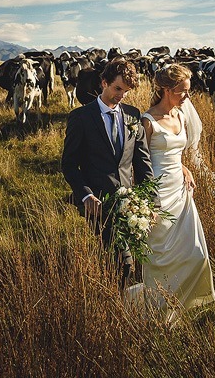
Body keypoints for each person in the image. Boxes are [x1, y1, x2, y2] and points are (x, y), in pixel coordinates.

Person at [130, 63, 215, 319]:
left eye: (188, 91)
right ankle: (156, 310)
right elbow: (139, 162)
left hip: (181, 192)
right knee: (160, 257)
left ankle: (180, 302)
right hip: (158, 194)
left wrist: (184, 167)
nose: (187, 97)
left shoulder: (180, 115)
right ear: (166, 90)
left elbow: (175, 152)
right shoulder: (147, 121)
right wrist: (144, 202)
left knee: (195, 254)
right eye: (182, 91)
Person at [60, 58, 153, 287]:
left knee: (128, 261)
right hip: (98, 205)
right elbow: (69, 164)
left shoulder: (133, 115)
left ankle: (120, 301)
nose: (121, 96)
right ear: (103, 83)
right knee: (123, 262)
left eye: (127, 91)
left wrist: (150, 203)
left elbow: (143, 163)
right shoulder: (80, 118)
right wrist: (85, 195)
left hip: (130, 205)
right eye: (117, 89)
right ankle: (117, 305)